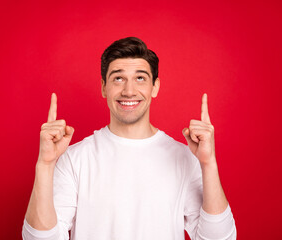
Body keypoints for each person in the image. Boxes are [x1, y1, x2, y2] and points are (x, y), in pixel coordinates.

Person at [22, 37, 237, 240]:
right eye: (118, 78)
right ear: (104, 87)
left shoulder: (183, 157)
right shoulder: (74, 158)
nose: (129, 90)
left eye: (140, 78)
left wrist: (208, 164)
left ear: (155, 87)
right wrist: (45, 165)